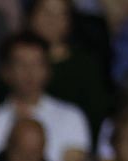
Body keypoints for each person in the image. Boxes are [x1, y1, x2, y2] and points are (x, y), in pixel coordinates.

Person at [0, 32, 93, 161]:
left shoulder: (71, 117)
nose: (29, 72)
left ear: (48, 71)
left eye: (37, 64)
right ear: (5, 72)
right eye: (21, 64)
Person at [24, 0, 111, 130]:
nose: (52, 21)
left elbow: (96, 115)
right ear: (31, 17)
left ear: (70, 21)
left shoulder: (85, 65)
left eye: (60, 14)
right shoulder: (15, 59)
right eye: (46, 13)